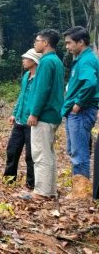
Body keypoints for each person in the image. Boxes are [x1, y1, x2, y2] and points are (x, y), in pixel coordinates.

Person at [22, 29, 64, 200]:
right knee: (49, 153)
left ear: (45, 43)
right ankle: (50, 190)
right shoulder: (56, 61)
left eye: (37, 40)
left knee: (40, 154)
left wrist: (34, 113)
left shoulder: (46, 62)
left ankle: (42, 191)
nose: (35, 43)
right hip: (53, 113)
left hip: (44, 114)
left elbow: (42, 90)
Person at [60, 26, 99, 199]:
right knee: (74, 150)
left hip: (82, 112)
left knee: (79, 151)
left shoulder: (87, 60)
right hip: (75, 112)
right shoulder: (81, 59)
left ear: (81, 42)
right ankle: (79, 187)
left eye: (69, 43)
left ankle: (82, 192)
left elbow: (90, 83)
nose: (67, 47)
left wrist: (78, 103)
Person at [4, 48, 41, 190]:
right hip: (20, 119)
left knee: (30, 156)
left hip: (31, 121)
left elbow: (39, 98)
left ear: (33, 61)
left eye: (26, 58)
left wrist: (35, 114)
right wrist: (14, 113)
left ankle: (31, 183)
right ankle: (9, 179)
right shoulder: (26, 76)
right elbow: (21, 96)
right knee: (12, 150)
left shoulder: (40, 78)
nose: (23, 61)